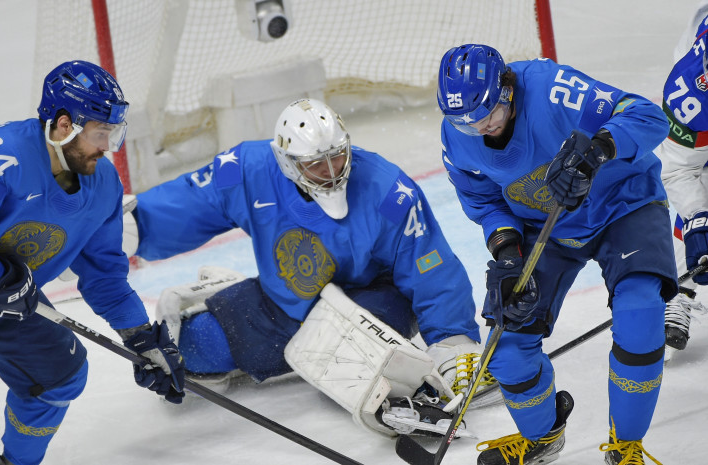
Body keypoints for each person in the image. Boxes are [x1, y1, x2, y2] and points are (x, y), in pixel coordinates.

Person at [126, 97, 498, 437]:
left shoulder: (388, 189)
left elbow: (430, 266)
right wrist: (130, 228)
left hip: (370, 301)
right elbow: (192, 201)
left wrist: (452, 341)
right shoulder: (247, 169)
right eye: (315, 163)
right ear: (286, 161)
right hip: (283, 302)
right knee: (193, 351)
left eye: (337, 155)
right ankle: (235, 305)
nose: (332, 169)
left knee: (370, 361)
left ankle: (354, 360)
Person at [0, 61, 186, 465]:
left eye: (114, 133)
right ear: (64, 124)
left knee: (59, 376)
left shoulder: (102, 186)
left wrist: (141, 338)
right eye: (102, 133)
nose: (108, 147)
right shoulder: (0, 156)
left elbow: (105, 278)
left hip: (2, 305)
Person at [437, 44, 677, 465]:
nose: (481, 128)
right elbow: (485, 202)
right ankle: (543, 436)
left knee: (640, 312)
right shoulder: (459, 136)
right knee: (507, 345)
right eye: (467, 122)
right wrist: (508, 253)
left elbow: (648, 116)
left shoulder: (552, 90)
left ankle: (626, 448)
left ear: (506, 89)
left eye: (488, 112)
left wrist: (598, 150)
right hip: (544, 226)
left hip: (624, 205)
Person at [655, 3, 708, 362]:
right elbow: (679, 170)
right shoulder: (690, 91)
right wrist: (697, 217)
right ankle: (678, 288)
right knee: (697, 204)